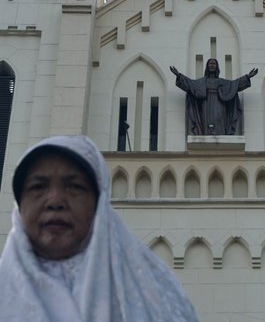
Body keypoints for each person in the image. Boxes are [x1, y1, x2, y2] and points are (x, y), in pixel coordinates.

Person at [0, 135, 198, 321]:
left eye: (74, 186)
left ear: (99, 203)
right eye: (38, 187)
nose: (55, 201)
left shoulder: (159, 296)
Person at [170, 58, 258, 135]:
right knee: (206, 119)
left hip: (219, 103)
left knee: (219, 117)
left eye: (214, 64)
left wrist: (247, 77)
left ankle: (221, 134)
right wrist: (179, 76)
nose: (212, 65)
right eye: (210, 64)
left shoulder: (222, 82)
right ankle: (207, 134)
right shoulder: (202, 82)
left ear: (217, 66)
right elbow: (190, 84)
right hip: (206, 103)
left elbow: (235, 84)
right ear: (207, 66)